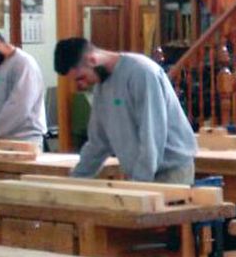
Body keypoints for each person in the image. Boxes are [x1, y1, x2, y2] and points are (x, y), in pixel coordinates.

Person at [54, 38, 197, 183]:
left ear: (92, 59)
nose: (82, 85)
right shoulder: (101, 88)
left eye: (81, 78)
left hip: (170, 171)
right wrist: (75, 180)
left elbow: (152, 135)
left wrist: (138, 183)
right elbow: (97, 143)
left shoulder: (141, 72)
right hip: (142, 172)